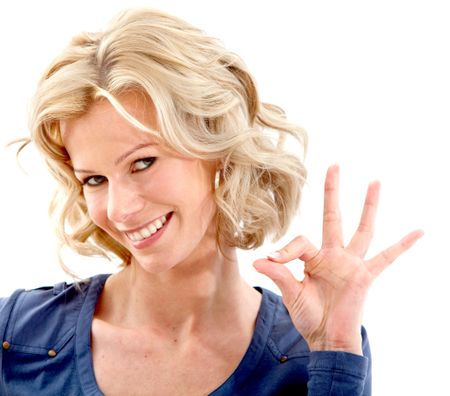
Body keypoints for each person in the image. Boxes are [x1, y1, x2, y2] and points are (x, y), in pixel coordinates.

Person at [0, 7, 422, 395]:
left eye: (143, 162)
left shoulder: (314, 346)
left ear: (216, 146)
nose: (118, 209)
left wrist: (334, 348)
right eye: (94, 179)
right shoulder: (15, 334)